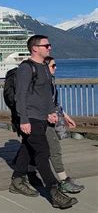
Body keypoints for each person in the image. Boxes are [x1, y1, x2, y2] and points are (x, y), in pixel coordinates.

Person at [9, 35, 77, 209]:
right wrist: (23, 119)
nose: (50, 48)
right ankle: (54, 192)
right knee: (42, 152)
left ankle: (17, 180)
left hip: (42, 117)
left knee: (27, 147)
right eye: (46, 45)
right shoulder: (26, 68)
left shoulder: (45, 67)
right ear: (35, 48)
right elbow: (20, 96)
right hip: (30, 117)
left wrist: (51, 112)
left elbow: (47, 94)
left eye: (50, 44)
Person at [40, 56, 84, 193]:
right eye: (53, 65)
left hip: (51, 118)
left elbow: (55, 103)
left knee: (38, 149)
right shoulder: (42, 83)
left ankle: (22, 173)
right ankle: (63, 180)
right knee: (54, 148)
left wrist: (66, 116)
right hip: (43, 120)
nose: (56, 68)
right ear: (46, 67)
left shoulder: (51, 81)